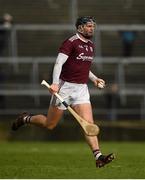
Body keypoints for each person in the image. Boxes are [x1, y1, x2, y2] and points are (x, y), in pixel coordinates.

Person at [11, 16, 115, 168]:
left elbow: (83, 67)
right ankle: (25, 118)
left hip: (81, 90)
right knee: (49, 124)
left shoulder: (91, 45)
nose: (92, 28)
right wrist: (54, 83)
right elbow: (59, 63)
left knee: (88, 124)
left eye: (93, 26)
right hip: (65, 88)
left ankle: (98, 156)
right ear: (80, 28)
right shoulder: (70, 42)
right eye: (88, 26)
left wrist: (94, 79)